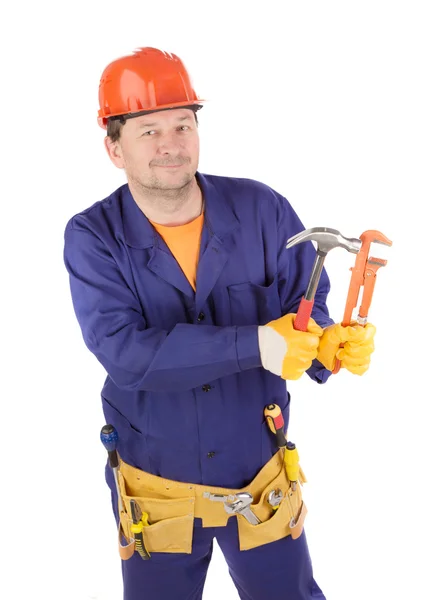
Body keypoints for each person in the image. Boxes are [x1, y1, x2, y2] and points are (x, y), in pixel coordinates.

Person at [63, 47, 375, 600]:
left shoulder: (263, 210)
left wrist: (328, 345)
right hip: (155, 484)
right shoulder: (93, 237)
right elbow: (126, 353)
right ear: (114, 148)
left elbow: (308, 303)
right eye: (148, 130)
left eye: (183, 124)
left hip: (259, 476)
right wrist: (258, 343)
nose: (170, 143)